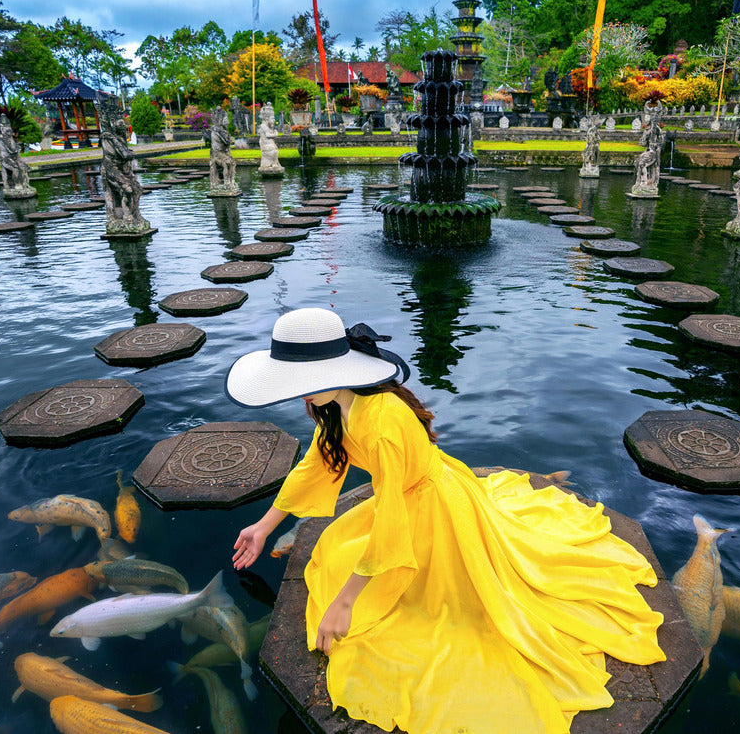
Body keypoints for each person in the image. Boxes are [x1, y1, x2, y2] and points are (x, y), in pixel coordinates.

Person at [228, 308, 665, 734]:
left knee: (438, 611)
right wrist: (265, 526)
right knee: (341, 561)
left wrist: (345, 601)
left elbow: (393, 520)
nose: (302, 393)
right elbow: (317, 463)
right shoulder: (337, 404)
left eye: (307, 381)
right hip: (406, 496)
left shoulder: (381, 422)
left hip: (432, 508)